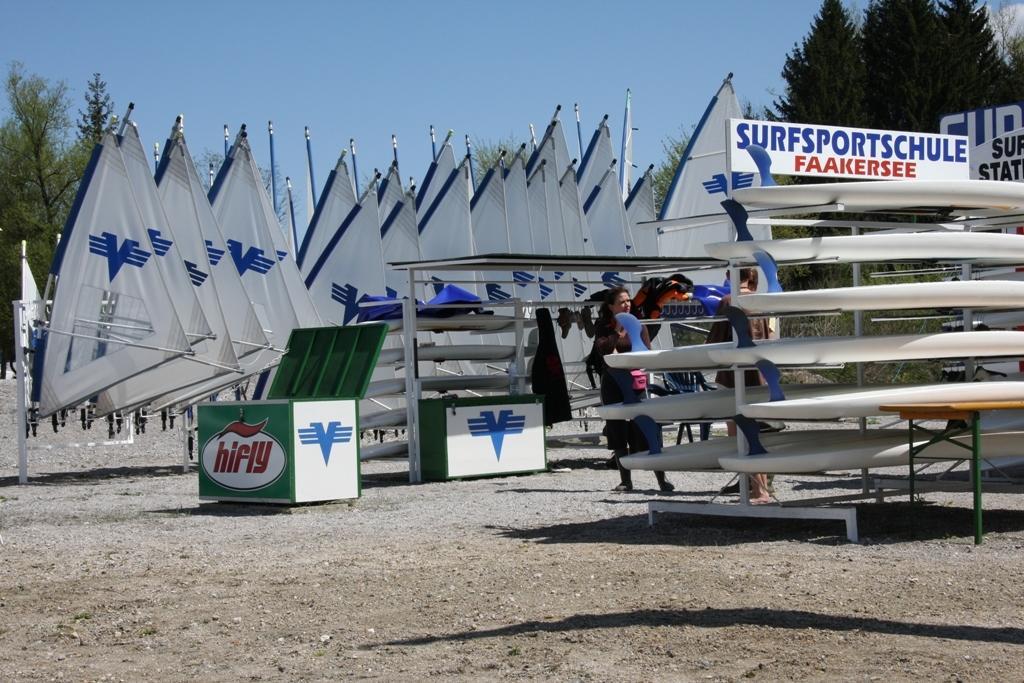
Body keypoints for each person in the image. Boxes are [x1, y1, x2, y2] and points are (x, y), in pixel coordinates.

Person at [592, 286, 674, 493]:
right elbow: (604, 351)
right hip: (612, 382)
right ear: (611, 306)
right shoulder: (603, 326)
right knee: (617, 429)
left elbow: (647, 353)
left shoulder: (639, 326)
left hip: (634, 381)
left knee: (645, 428)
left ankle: (661, 479)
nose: (627, 304)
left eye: (628, 300)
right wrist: (618, 329)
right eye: (622, 302)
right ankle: (625, 480)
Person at [706, 268, 774, 504]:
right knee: (754, 435)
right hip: (758, 375)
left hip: (733, 376)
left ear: (730, 275)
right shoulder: (760, 302)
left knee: (739, 436)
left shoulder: (728, 301)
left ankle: (757, 492)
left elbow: (714, 341)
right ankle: (761, 488)